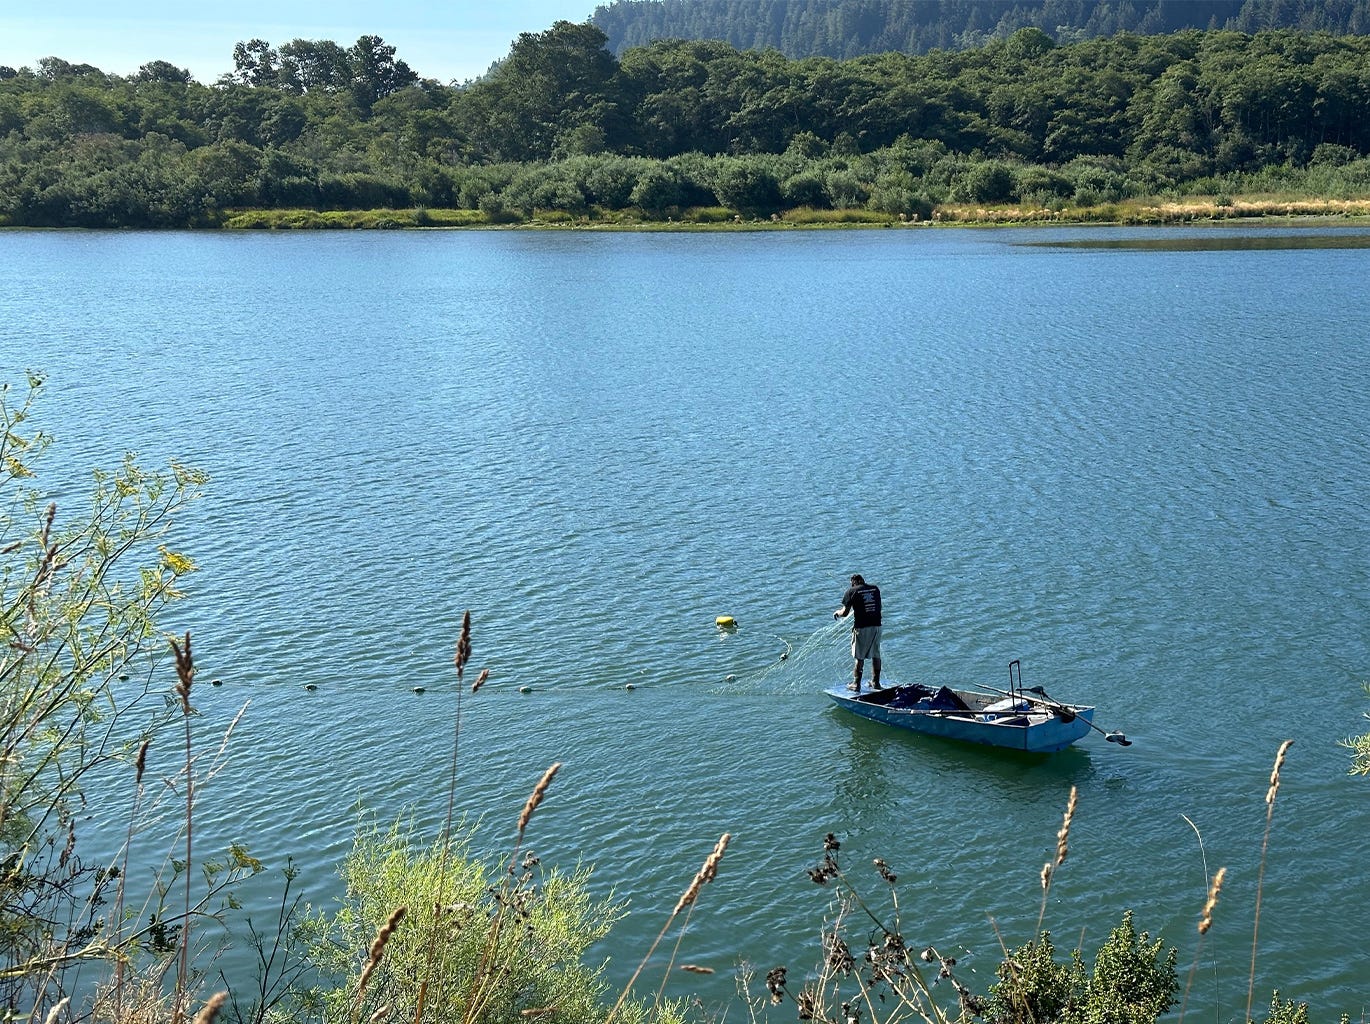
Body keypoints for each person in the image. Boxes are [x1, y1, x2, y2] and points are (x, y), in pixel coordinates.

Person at [834, 573, 881, 692]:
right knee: (876, 654)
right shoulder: (875, 589)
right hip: (877, 626)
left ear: (853, 582)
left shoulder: (851, 591)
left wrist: (837, 613)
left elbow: (844, 613)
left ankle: (856, 684)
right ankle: (875, 682)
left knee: (859, 656)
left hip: (862, 628)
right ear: (863, 581)